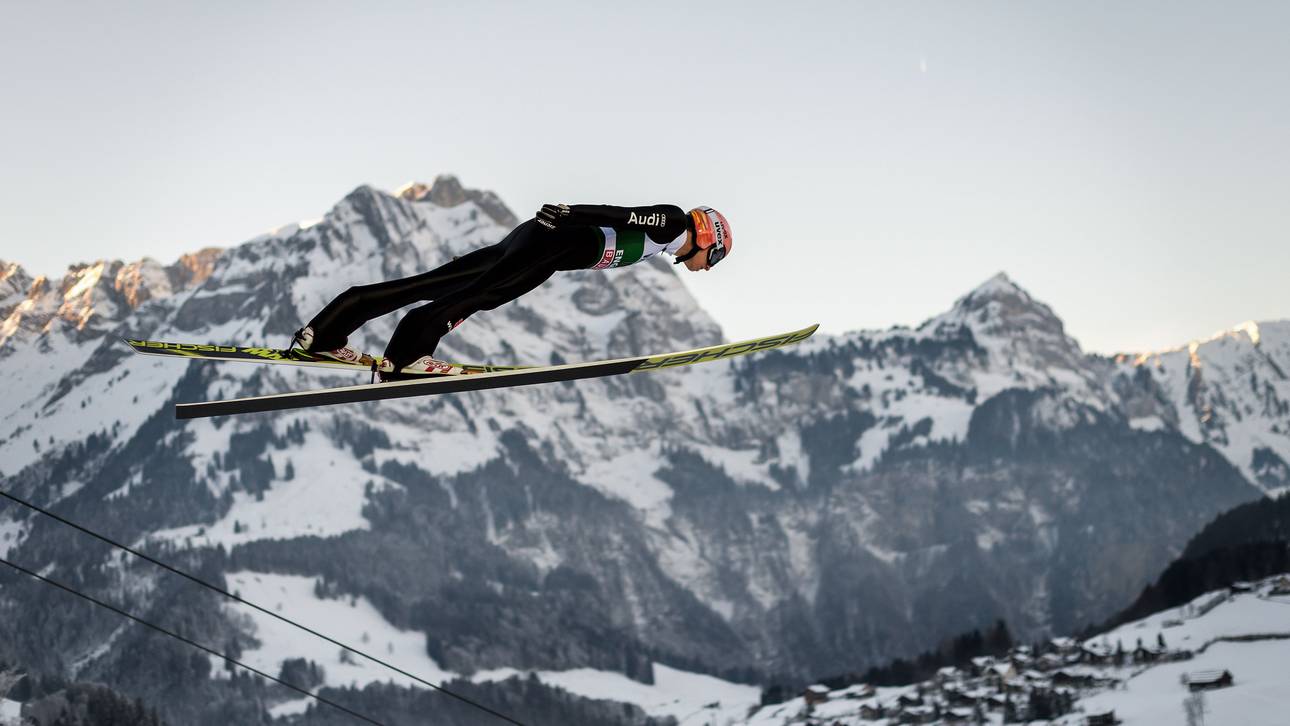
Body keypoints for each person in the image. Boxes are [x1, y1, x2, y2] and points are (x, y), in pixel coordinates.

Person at [291, 203, 732, 381]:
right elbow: (624, 214)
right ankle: (406, 357)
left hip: (541, 240)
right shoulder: (674, 223)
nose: (705, 267)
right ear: (706, 237)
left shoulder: (668, 241)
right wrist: (571, 211)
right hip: (550, 245)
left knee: (434, 283)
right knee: (481, 294)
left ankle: (324, 333)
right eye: (713, 258)